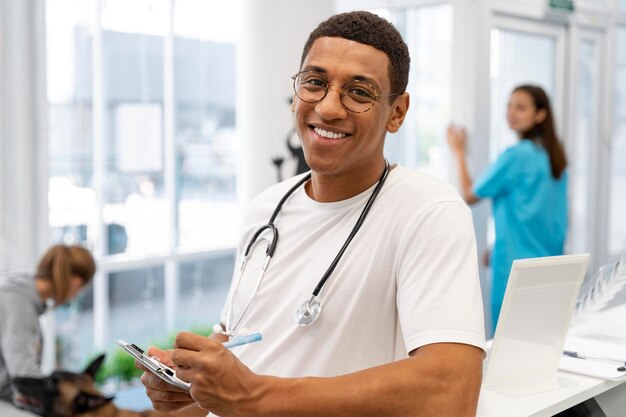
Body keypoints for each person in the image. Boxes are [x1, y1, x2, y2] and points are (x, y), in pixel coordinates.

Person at [139, 11, 486, 417]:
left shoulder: (427, 210)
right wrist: (191, 382)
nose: (328, 107)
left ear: (397, 112)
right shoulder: (265, 209)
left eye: (359, 92)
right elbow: (238, 339)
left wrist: (253, 396)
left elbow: (452, 392)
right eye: (315, 83)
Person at [447, 84, 568, 333]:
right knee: (537, 343)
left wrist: (458, 151)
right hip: (549, 269)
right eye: (509, 105)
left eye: (521, 107)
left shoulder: (516, 156)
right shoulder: (554, 157)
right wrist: (497, 245)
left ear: (540, 115)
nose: (511, 113)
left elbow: (470, 195)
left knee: (506, 345)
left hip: (516, 270)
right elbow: (542, 215)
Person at [0, 244, 96, 402]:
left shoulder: (17, 292)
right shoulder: (19, 305)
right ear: (77, 283)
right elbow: (25, 376)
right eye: (80, 289)